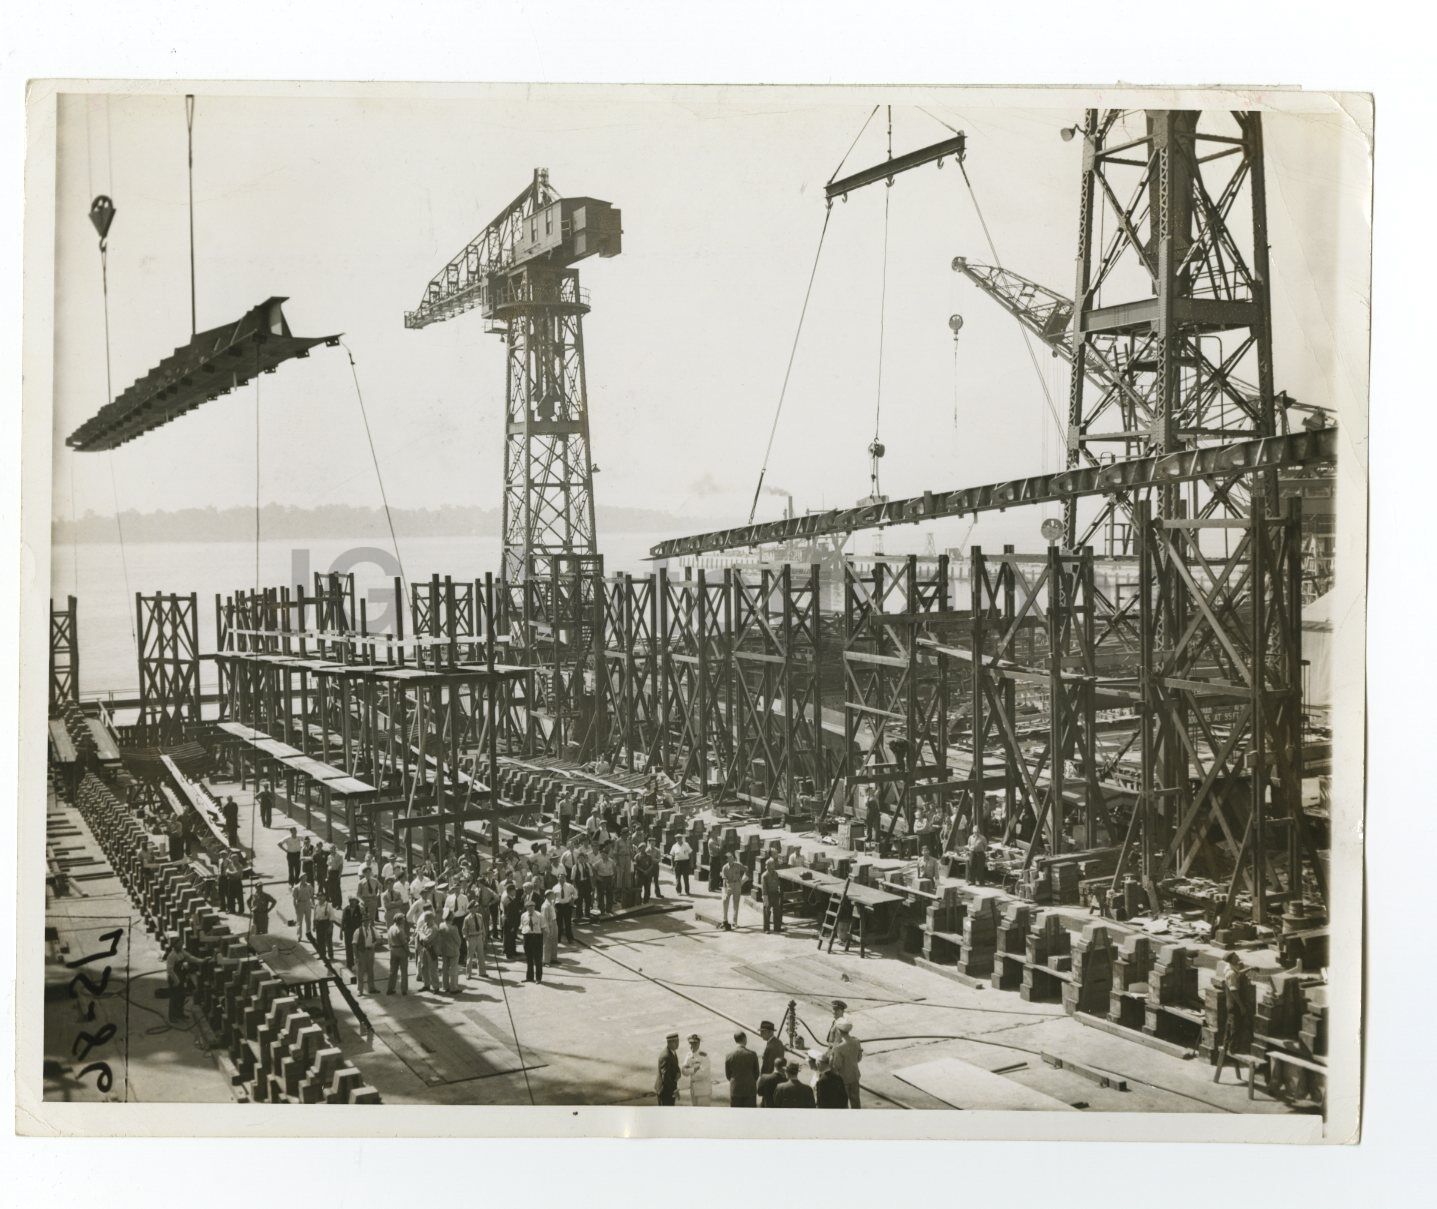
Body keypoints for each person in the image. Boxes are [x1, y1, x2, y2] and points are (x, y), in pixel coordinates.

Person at [1213, 952, 1253, 1084]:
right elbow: (1234, 990)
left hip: (1232, 1004)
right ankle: (1233, 1048)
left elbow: (1239, 973)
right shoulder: (1230, 973)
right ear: (1231, 960)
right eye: (1236, 957)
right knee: (1235, 1024)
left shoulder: (1231, 969)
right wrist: (1241, 1006)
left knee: (1230, 1024)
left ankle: (1227, 1043)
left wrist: (1250, 969)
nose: (1238, 958)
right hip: (1234, 1003)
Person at [827, 1019, 863, 1107]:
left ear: (839, 1031)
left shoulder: (839, 1047)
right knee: (856, 1102)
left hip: (843, 1079)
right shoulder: (856, 1041)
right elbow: (859, 1058)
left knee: (843, 1102)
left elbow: (837, 1065)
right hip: (855, 1076)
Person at [724, 1031, 760, 1107]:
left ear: (735, 1040)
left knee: (736, 1115)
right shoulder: (752, 1054)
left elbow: (728, 1075)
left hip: (735, 1089)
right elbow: (756, 1073)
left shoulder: (729, 1055)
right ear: (745, 1039)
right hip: (750, 1089)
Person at [680, 1033, 713, 1106]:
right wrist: (694, 1069)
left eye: (695, 1043)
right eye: (690, 1043)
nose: (692, 1046)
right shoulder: (689, 1055)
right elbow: (683, 1071)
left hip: (703, 1092)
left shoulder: (704, 1056)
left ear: (699, 1044)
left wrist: (689, 1070)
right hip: (693, 1091)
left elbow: (702, 1074)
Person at [435, 912, 462, 993]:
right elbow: (458, 940)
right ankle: (453, 988)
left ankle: (445, 986)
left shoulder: (441, 925)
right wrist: (458, 947)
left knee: (445, 968)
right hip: (453, 950)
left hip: (444, 950)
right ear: (451, 918)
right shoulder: (454, 928)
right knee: (453, 969)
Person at [521, 898, 546, 983]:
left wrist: (543, 940)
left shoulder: (539, 915)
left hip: (536, 937)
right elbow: (522, 927)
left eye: (532, 907)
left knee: (538, 959)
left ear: (535, 907)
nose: (531, 909)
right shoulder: (523, 915)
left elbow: (543, 928)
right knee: (528, 959)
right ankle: (529, 977)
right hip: (527, 937)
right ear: (526, 908)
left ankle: (538, 978)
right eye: (529, 907)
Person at [720, 852, 747, 931]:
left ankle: (734, 922)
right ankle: (725, 920)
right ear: (727, 859)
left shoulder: (738, 865)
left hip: (737, 884)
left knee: (736, 904)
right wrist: (724, 891)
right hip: (729, 885)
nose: (732, 858)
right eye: (729, 857)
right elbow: (724, 880)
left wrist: (743, 880)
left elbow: (746, 869)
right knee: (725, 901)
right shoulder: (725, 867)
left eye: (732, 857)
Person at [353, 913, 378, 994]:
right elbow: (354, 944)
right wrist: (356, 956)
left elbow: (379, 939)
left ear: (369, 921)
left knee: (371, 971)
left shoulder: (372, 929)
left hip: (370, 952)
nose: (366, 922)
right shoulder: (358, 930)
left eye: (367, 920)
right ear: (362, 922)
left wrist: (374, 944)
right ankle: (360, 990)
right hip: (362, 952)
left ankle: (372, 988)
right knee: (361, 972)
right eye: (364, 921)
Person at [463, 900, 488, 979]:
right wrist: (467, 939)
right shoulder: (467, 918)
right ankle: (468, 974)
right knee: (470, 957)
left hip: (479, 937)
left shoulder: (479, 916)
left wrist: (483, 935)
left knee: (481, 955)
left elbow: (482, 926)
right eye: (475, 907)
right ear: (471, 909)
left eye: (476, 907)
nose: (476, 908)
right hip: (472, 938)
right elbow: (464, 930)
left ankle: (482, 972)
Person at [341, 895, 365, 980]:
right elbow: (343, 920)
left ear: (356, 902)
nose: (352, 903)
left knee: (359, 948)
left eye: (354, 901)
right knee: (348, 948)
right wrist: (341, 931)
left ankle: (361, 965)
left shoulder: (359, 909)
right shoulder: (346, 909)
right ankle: (349, 964)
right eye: (351, 901)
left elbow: (363, 919)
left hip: (356, 932)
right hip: (347, 932)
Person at [385, 916, 410, 995]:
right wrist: (408, 952)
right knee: (404, 971)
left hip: (393, 950)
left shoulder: (391, 928)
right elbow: (404, 943)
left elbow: (388, 940)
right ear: (399, 920)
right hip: (401, 950)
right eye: (403, 919)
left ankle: (390, 988)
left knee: (392, 971)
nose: (404, 920)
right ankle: (404, 990)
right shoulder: (400, 930)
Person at [655, 1032, 681, 1106]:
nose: (677, 1043)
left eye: (678, 1041)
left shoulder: (672, 1052)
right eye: (675, 1041)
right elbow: (666, 1078)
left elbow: (675, 1065)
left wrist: (679, 1073)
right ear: (669, 1042)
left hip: (669, 1089)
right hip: (665, 1092)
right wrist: (675, 1090)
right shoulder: (666, 1057)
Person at [761, 857, 785, 934]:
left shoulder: (776, 874)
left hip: (775, 894)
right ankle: (766, 929)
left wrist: (779, 893)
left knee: (777, 911)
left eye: (773, 865)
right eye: (771, 865)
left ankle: (777, 928)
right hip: (768, 894)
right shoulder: (764, 875)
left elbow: (778, 884)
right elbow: (764, 888)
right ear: (767, 866)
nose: (773, 866)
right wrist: (765, 899)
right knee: (767, 912)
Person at [553, 871, 578, 942]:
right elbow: (553, 898)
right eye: (560, 878)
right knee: (558, 924)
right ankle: (558, 939)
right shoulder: (555, 887)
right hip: (559, 906)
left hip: (567, 906)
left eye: (563, 878)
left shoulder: (569, 886)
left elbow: (575, 893)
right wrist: (554, 907)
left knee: (568, 923)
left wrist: (573, 898)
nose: (562, 879)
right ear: (558, 878)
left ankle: (570, 939)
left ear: (565, 879)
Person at [313, 892, 337, 961]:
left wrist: (330, 926)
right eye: (318, 896)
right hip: (319, 924)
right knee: (320, 940)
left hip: (326, 923)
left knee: (328, 941)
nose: (320, 897)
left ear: (325, 897)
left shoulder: (328, 905)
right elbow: (315, 916)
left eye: (321, 896)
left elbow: (332, 917)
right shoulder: (316, 905)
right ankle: (322, 955)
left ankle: (331, 956)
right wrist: (314, 926)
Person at [594, 844, 617, 915]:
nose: (604, 856)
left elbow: (615, 869)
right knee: (600, 895)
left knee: (610, 894)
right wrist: (597, 877)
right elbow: (593, 869)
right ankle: (602, 910)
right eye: (602, 854)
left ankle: (609, 909)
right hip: (601, 879)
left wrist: (613, 877)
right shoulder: (598, 862)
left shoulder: (611, 861)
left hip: (609, 878)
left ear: (608, 855)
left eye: (605, 854)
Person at [291, 876, 315, 940]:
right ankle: (299, 936)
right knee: (299, 921)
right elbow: (294, 899)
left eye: (305, 878)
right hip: (300, 904)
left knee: (308, 920)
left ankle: (309, 934)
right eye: (303, 878)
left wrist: (313, 903)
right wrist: (295, 907)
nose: (305, 879)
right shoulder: (296, 887)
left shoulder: (309, 886)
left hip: (307, 903)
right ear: (301, 879)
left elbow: (312, 895)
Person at [542, 889, 559, 965]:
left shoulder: (551, 903)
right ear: (548, 895)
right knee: (547, 943)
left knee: (554, 941)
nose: (554, 896)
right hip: (549, 924)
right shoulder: (545, 906)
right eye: (553, 894)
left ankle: (553, 958)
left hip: (554, 922)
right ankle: (546, 961)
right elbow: (544, 918)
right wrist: (547, 929)